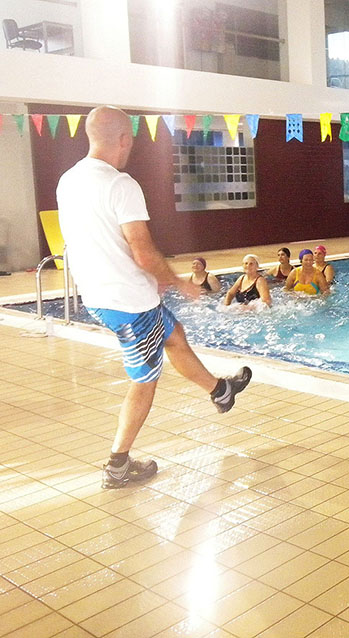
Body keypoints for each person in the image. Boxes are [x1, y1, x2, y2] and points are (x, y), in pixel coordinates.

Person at [56, 106, 251, 489]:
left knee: (174, 335)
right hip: (127, 301)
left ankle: (220, 391)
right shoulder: (120, 185)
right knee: (144, 380)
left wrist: (152, 279)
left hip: (100, 292)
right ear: (124, 139)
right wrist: (179, 282)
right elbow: (143, 252)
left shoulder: (69, 180)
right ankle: (117, 464)